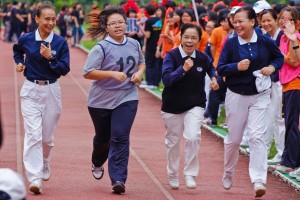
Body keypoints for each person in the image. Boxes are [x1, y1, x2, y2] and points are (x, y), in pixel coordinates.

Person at [217, 6, 284, 198]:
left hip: (260, 94)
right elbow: (220, 68)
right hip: (236, 94)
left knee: (256, 137)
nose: (237, 25)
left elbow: (278, 58)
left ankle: (258, 180)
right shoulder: (231, 44)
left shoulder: (264, 41)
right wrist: (235, 67)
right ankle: (229, 172)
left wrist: (272, 67)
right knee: (234, 139)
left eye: (240, 21)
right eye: (235, 22)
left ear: (252, 22)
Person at [83, 6, 145, 194]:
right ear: (106, 27)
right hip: (100, 101)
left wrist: (139, 74)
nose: (117, 26)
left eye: (120, 22)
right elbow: (87, 73)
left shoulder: (134, 44)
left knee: (120, 135)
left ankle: (118, 178)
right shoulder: (101, 48)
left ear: (126, 24)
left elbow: (141, 62)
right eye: (113, 23)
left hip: (127, 96)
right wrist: (111, 74)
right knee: (103, 138)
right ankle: (97, 161)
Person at [12, 1, 70, 195]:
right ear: (37, 19)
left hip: (52, 91)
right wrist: (20, 63)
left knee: (47, 138)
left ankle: (45, 161)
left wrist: (50, 58)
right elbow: (17, 50)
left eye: (53, 19)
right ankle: (35, 178)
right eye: (47, 19)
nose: (51, 22)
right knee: (33, 135)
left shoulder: (60, 43)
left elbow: (64, 69)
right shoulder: (27, 39)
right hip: (31, 90)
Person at [161, 23, 219, 190]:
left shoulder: (202, 57)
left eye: (194, 38)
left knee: (193, 136)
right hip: (172, 105)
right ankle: (172, 174)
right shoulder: (171, 56)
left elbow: (210, 68)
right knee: (173, 142)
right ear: (180, 37)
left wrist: (214, 79)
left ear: (199, 40)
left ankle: (190, 174)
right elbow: (167, 80)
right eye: (186, 37)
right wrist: (183, 69)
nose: (189, 41)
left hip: (195, 104)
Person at [274, 6, 300, 176]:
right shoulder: (283, 38)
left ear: (295, 22)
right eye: (282, 18)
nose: (284, 22)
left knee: (293, 125)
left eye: (288, 19)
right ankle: (290, 160)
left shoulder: (295, 37)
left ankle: (290, 162)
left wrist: (278, 55)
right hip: (287, 85)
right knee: (290, 123)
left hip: (295, 84)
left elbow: (295, 62)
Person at [259, 8, 285, 165]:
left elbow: (281, 61)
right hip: (270, 83)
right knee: (271, 118)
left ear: (276, 20)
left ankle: (281, 152)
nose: (266, 23)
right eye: (263, 21)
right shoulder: (266, 37)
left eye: (269, 20)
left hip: (281, 82)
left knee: (279, 119)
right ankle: (272, 150)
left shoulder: (282, 37)